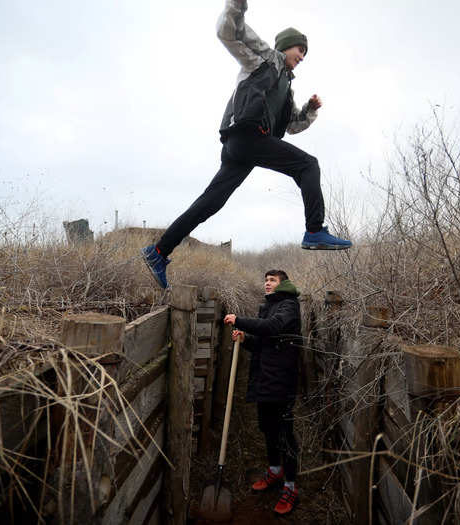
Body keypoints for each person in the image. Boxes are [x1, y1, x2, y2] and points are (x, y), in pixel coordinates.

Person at [141, 0, 351, 289]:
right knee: (307, 165)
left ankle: (159, 251)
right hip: (247, 136)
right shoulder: (264, 59)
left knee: (210, 202)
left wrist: (310, 109)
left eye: (304, 53)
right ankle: (314, 230)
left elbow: (292, 126)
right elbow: (230, 31)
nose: (302, 56)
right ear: (285, 46)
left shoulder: (285, 90)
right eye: (299, 49)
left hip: (240, 148)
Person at [223, 269, 302, 515]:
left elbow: (272, 327)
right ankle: (275, 471)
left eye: (272, 280)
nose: (267, 284)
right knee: (268, 429)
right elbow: (265, 342)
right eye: (265, 280)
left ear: (283, 284)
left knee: (284, 435)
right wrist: (245, 338)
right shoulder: (267, 307)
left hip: (282, 382)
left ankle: (290, 486)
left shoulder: (289, 306)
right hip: (265, 380)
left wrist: (240, 320)